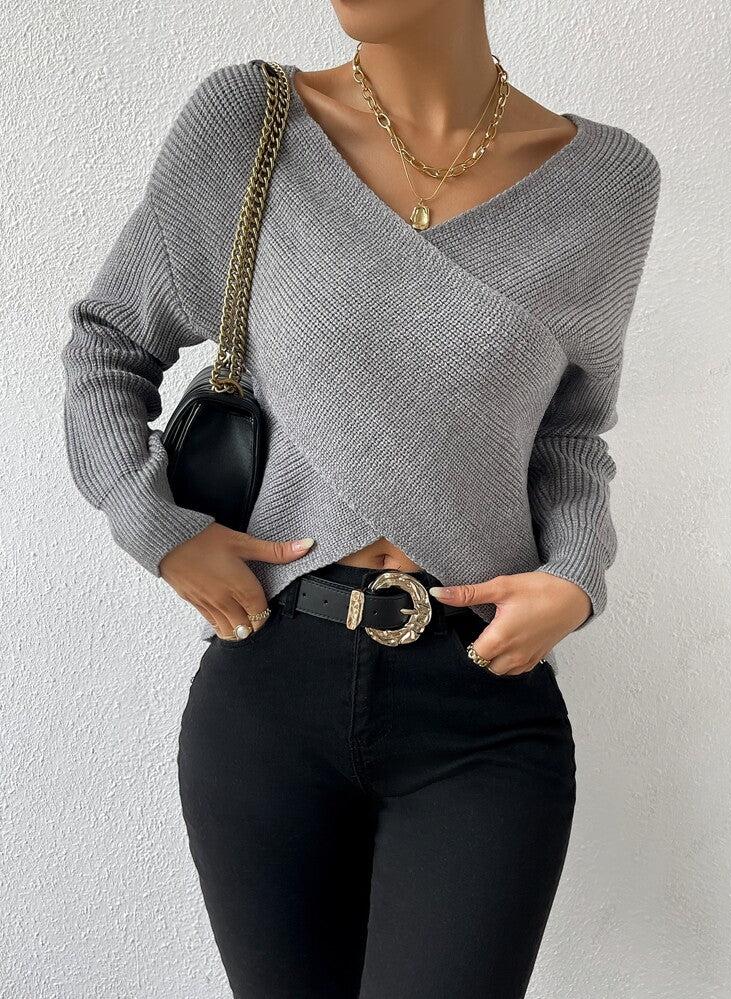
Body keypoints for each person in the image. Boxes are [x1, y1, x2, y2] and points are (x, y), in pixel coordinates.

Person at [60, 2, 661, 996]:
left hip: (481, 704)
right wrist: (152, 523)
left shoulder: (607, 181)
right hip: (270, 686)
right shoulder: (251, 125)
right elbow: (110, 344)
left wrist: (576, 575)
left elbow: (568, 433)